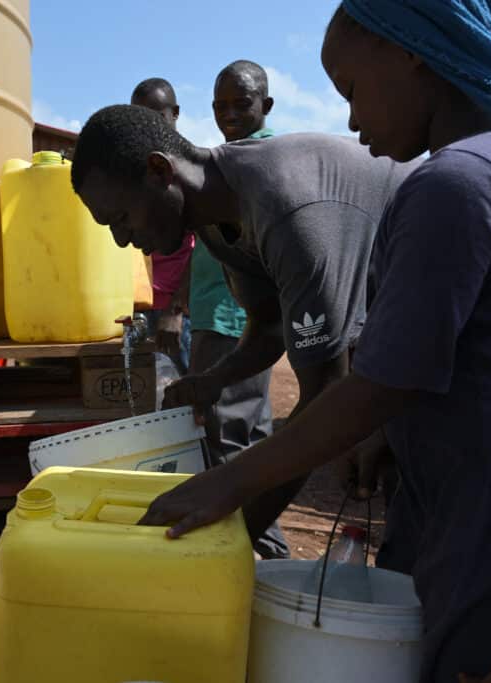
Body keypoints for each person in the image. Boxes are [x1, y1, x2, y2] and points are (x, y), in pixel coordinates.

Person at [140, 0, 491, 677]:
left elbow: (379, 384)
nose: (350, 118)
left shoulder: (457, 182)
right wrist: (384, 435)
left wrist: (228, 483)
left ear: (413, 50)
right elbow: (468, 348)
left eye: (351, 89)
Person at [70, 104, 416, 549]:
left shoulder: (288, 207)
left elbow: (326, 395)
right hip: (402, 348)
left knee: (436, 533)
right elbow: (270, 327)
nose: (121, 239)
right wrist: (215, 380)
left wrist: (226, 520)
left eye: (121, 218)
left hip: (466, 333)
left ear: (159, 171)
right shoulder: (215, 217)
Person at [189, 59, 280, 558]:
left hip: (236, 322)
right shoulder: (228, 159)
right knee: (248, 432)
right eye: (220, 106)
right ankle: (262, 551)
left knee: (228, 439)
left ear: (266, 105)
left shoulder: (259, 163)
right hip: (218, 315)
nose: (229, 114)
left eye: (241, 104)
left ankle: (261, 554)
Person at [130, 78, 194, 373]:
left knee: (188, 401)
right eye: (138, 116)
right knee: (147, 399)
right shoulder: (134, 169)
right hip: (136, 310)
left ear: (175, 113)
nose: (146, 125)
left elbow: (203, 247)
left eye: (155, 116)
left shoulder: (191, 166)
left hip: (177, 314)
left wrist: (175, 311)